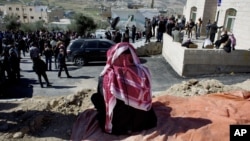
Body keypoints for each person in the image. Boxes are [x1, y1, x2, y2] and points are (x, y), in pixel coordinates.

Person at [91, 42, 157, 135]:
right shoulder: (144, 72)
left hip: (118, 125)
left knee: (95, 97)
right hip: (144, 122)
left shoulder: (108, 76)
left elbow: (103, 98)